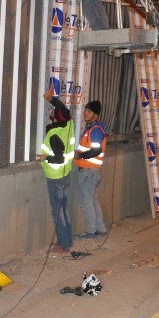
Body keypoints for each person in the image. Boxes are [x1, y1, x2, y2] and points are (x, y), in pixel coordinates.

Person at [37, 90, 75, 254]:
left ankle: (63, 244)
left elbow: (58, 159)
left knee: (58, 211)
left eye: (52, 111)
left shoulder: (54, 135)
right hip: (65, 174)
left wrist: (45, 158)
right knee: (64, 209)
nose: (51, 110)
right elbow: (62, 108)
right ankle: (68, 240)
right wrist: (51, 99)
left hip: (56, 176)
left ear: (55, 118)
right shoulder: (68, 125)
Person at [74, 100, 108, 240]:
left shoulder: (95, 130)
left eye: (88, 111)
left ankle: (90, 231)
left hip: (89, 172)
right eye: (85, 110)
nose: (85, 113)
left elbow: (96, 149)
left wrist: (80, 155)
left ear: (96, 115)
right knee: (93, 201)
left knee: (87, 202)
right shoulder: (93, 128)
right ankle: (100, 229)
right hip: (92, 172)